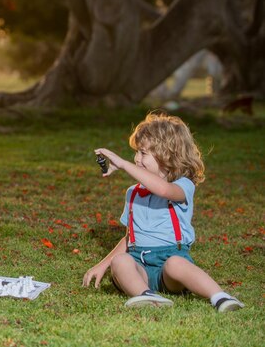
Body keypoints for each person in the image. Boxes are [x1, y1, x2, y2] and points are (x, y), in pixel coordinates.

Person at [82, 113, 244, 312]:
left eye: (143, 153)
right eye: (136, 153)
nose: (136, 159)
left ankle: (221, 297)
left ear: (168, 156)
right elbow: (130, 236)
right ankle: (146, 295)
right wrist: (103, 264)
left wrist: (124, 164)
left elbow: (164, 190)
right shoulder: (133, 193)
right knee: (120, 262)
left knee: (176, 264)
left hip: (170, 266)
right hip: (139, 263)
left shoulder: (183, 186)